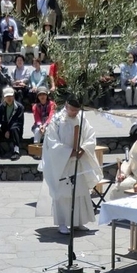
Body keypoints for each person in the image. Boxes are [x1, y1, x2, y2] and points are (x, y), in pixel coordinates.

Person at [37, 99, 102, 234]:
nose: (74, 112)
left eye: (76, 110)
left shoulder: (82, 119)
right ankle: (62, 223)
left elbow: (90, 136)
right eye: (72, 109)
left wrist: (83, 149)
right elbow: (52, 142)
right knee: (63, 193)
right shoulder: (57, 120)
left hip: (78, 160)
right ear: (66, 106)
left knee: (79, 191)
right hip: (62, 163)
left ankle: (78, 222)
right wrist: (68, 152)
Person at [0, 87, 24, 160]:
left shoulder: (19, 107)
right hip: (4, 130)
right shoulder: (1, 106)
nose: (9, 98)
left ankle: (16, 151)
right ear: (4, 97)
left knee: (14, 128)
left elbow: (18, 122)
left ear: (13, 96)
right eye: (7, 96)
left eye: (10, 96)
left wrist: (9, 130)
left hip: (15, 131)